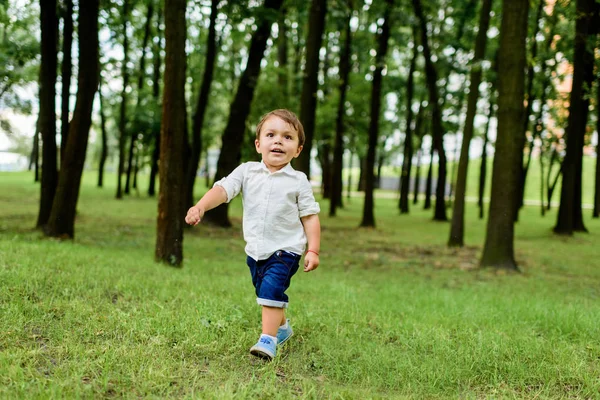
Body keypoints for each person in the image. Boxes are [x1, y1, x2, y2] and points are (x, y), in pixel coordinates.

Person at [185, 109, 321, 360]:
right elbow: (223, 190)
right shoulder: (246, 172)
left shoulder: (298, 181)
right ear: (259, 144)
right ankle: (282, 329)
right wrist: (200, 206)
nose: (278, 141)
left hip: (287, 249)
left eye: (287, 137)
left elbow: (310, 216)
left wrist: (312, 249)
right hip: (256, 250)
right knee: (265, 291)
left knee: (270, 290)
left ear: (298, 150)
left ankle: (267, 340)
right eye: (271, 135)